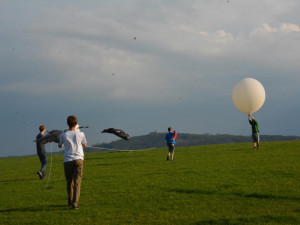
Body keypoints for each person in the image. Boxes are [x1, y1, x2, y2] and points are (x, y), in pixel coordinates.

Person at [58, 115, 87, 210]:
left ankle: (70, 201)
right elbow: (84, 144)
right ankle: (75, 204)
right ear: (76, 123)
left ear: (67, 124)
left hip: (67, 160)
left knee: (69, 181)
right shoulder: (81, 134)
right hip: (79, 159)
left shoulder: (63, 135)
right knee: (77, 182)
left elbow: (60, 145)